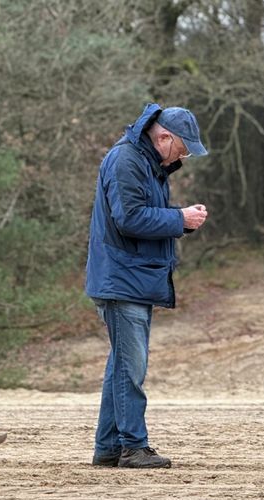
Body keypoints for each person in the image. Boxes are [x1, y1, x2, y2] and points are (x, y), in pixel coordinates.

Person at [85, 104, 209, 469]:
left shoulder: (146, 164)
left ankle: (108, 446)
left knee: (122, 365)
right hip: (122, 280)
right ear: (164, 137)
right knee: (131, 368)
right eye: (183, 148)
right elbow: (130, 218)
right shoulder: (126, 160)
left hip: (130, 277)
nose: (184, 156)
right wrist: (178, 218)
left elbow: (138, 216)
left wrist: (180, 222)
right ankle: (133, 446)